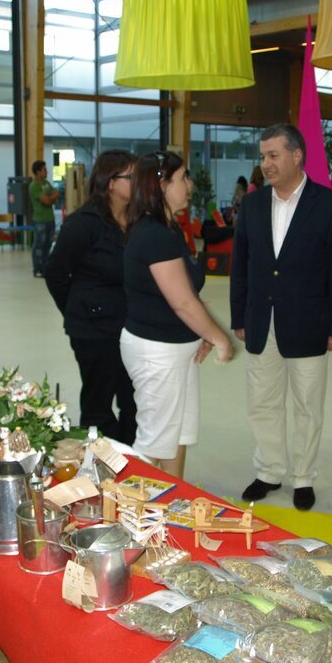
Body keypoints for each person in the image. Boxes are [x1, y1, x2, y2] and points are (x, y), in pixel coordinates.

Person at [231, 123, 332, 511]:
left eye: (273, 155)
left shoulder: (331, 205)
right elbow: (241, 265)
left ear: (297, 155)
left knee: (307, 407)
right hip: (261, 321)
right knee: (262, 403)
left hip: (309, 324)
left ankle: (303, 477)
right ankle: (270, 471)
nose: (266, 164)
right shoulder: (252, 205)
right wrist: (239, 316)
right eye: (262, 156)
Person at [120, 151, 233, 479]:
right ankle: (131, 507)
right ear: (162, 185)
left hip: (175, 350)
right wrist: (219, 338)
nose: (190, 184)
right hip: (158, 353)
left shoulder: (168, 229)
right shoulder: (154, 234)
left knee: (177, 434)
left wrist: (201, 331)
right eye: (183, 177)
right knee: (153, 444)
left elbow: (184, 296)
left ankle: (171, 499)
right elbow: (182, 302)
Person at [44, 150, 139, 445]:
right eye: (131, 177)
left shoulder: (138, 220)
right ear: (110, 183)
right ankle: (99, 461)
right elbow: (55, 273)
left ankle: (130, 459)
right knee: (98, 405)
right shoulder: (84, 222)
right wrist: (79, 310)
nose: (138, 182)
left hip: (130, 328)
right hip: (94, 331)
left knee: (135, 402)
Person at [29, 160, 58, 278]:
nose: (47, 171)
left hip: (50, 219)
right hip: (40, 220)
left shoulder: (46, 183)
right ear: (38, 172)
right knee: (39, 245)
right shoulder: (34, 186)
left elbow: (56, 194)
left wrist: (50, 198)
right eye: (44, 170)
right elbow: (47, 201)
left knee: (48, 245)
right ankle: (37, 269)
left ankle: (45, 268)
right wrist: (51, 198)